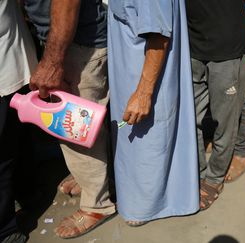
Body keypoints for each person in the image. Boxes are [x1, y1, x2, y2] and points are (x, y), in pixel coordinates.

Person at [23, 0, 116, 238]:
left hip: (77, 43)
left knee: (76, 129)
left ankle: (96, 205)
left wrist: (53, 61)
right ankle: (92, 180)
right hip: (71, 39)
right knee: (86, 124)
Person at [107, 0, 199, 226]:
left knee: (148, 138)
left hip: (144, 74)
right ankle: (141, 199)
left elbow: (158, 36)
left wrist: (143, 93)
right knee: (137, 140)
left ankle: (148, 205)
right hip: (130, 69)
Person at [186, 0, 245, 210]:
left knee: (224, 122)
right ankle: (197, 172)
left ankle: (214, 179)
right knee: (190, 119)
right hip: (192, 46)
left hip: (228, 49)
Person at [0, 0, 37, 242]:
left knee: (17, 142)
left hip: (13, 69)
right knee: (3, 158)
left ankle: (28, 189)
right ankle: (5, 230)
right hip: (8, 71)